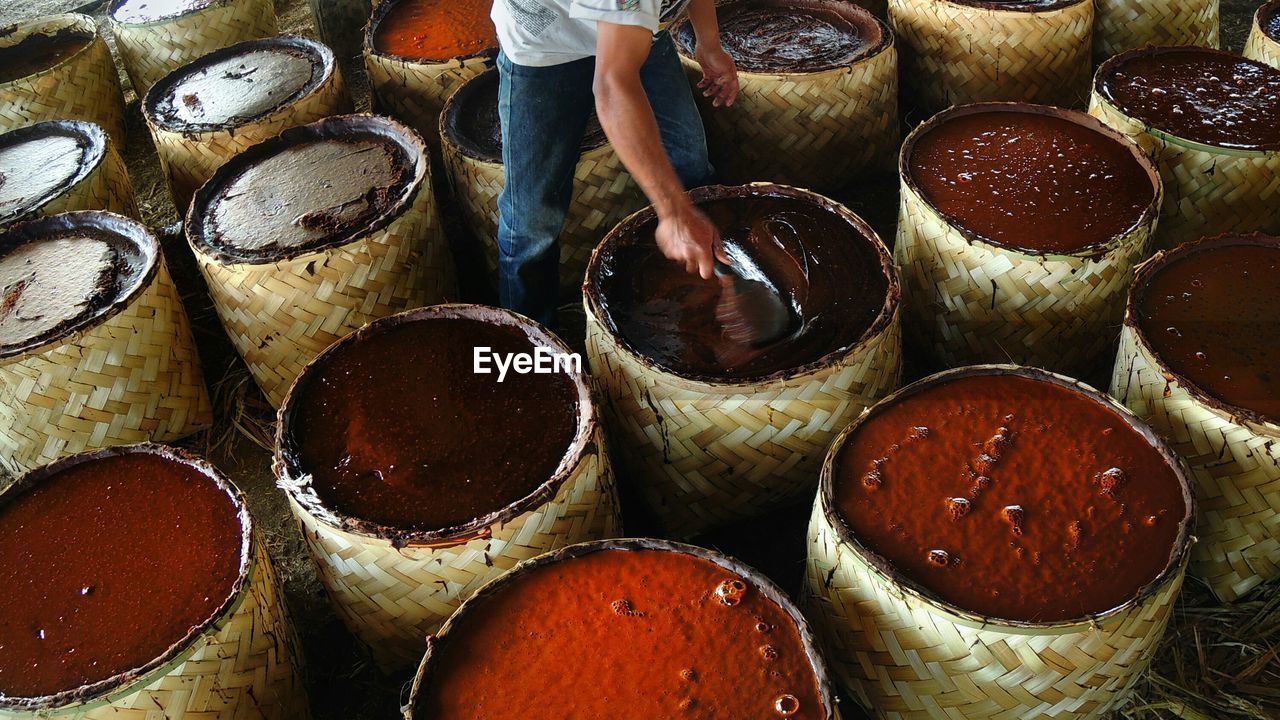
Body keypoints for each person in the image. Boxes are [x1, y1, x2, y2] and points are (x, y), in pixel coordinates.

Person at [490, 0, 741, 326]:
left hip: (641, 31)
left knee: (690, 163)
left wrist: (709, 43)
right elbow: (612, 86)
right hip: (548, 42)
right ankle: (528, 339)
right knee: (532, 219)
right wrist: (674, 214)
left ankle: (709, 291)